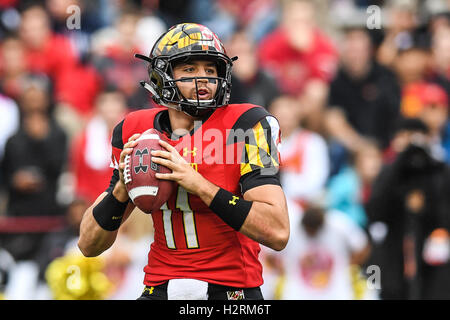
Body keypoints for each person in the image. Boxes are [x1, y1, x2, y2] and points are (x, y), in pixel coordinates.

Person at [78, 23, 289, 300]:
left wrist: (199, 184)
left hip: (231, 291)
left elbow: (277, 231)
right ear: (162, 76)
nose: (203, 79)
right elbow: (88, 244)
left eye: (210, 70)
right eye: (190, 70)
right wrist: (120, 188)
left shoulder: (247, 124)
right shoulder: (134, 129)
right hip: (160, 287)